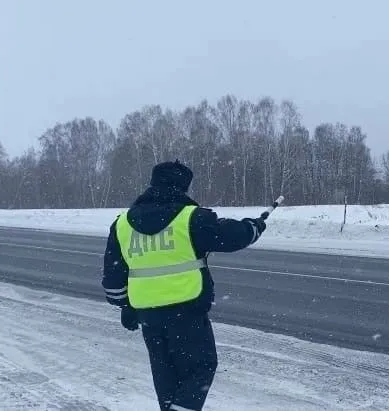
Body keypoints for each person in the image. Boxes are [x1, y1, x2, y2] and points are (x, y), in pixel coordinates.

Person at [101, 160, 266, 411]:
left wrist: (126, 306)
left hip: (148, 316)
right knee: (200, 369)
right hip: (185, 311)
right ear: (182, 186)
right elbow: (232, 236)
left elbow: (113, 281)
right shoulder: (191, 218)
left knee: (165, 375)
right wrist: (253, 227)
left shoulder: (122, 224)